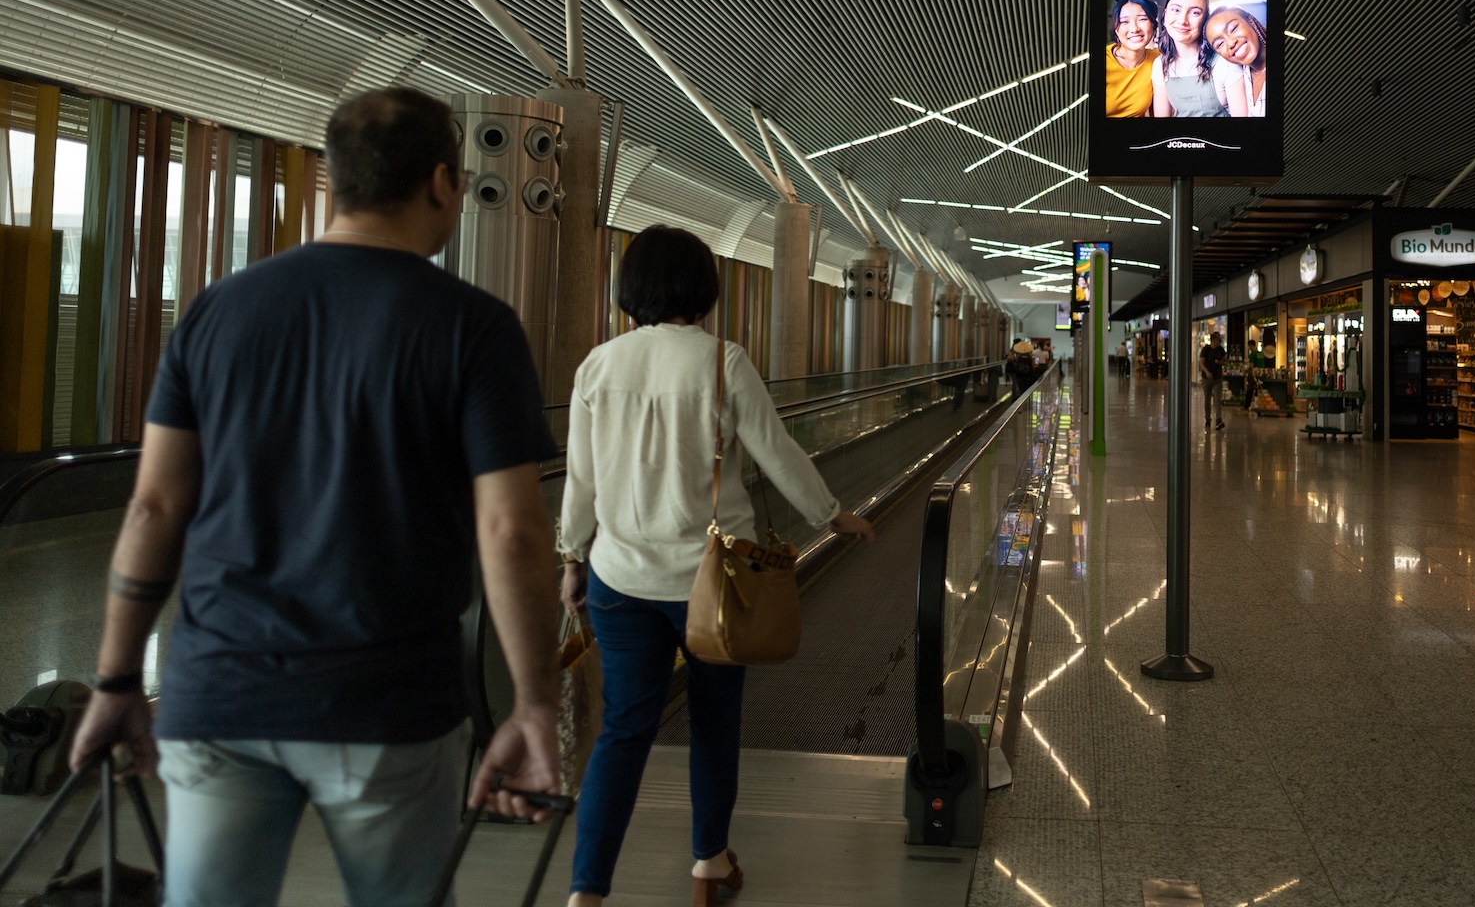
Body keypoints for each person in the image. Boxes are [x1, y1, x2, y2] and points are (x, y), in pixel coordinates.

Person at [69, 87, 563, 906]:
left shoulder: (217, 310)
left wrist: (116, 680)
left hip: (220, 691)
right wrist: (535, 705)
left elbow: (155, 506)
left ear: (338, 178)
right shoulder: (471, 325)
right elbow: (511, 530)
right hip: (387, 705)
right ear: (443, 181)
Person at [558, 225, 876, 907]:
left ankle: (586, 892)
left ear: (630, 291)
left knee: (623, 730)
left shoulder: (597, 365)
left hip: (618, 577)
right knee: (712, 722)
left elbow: (580, 483)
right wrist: (831, 515)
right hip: (715, 583)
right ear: (703, 290)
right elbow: (777, 452)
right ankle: (709, 863)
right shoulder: (722, 362)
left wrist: (571, 556)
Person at [1150, 0, 1228, 118]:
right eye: (1176, 10)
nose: (1182, 20)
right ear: (1165, 15)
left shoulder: (1223, 61)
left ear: (1205, 20)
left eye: (1195, 12)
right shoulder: (1159, 64)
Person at [1208, 7, 1268, 118]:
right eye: (1220, 44)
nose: (1231, 43)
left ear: (1250, 21)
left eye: (1234, 28)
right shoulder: (1242, 74)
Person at [1105, 0, 1159, 117]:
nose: (1134, 29)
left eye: (1142, 19)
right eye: (1124, 22)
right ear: (1116, 29)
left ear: (1153, 25)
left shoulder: (1158, 60)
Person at [1200, 331, 1228, 429]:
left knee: (1218, 399)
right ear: (1213, 340)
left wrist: (1221, 362)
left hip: (1217, 378)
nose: (1220, 341)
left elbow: (1226, 361)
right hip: (1206, 379)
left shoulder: (1221, 350)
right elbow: (1201, 362)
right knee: (1207, 399)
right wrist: (1207, 372)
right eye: (1218, 339)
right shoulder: (1206, 350)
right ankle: (1208, 419)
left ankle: (1218, 420)